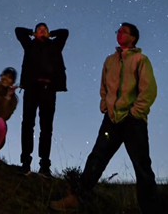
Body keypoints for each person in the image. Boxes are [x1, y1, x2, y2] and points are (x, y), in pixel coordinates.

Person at [50, 23, 159, 213]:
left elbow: (149, 90)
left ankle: (149, 208)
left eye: (124, 31)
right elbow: (104, 87)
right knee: (96, 158)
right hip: (111, 119)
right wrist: (104, 106)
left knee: (142, 166)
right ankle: (77, 199)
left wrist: (135, 112)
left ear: (133, 38)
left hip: (133, 121)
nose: (119, 34)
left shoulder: (141, 60)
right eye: (118, 31)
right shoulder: (109, 60)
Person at [15, 23, 69, 178]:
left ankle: (45, 165)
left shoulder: (55, 45)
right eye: (39, 29)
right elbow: (18, 31)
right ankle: (25, 162)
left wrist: (50, 34)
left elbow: (64, 31)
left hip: (49, 90)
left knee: (46, 128)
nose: (42, 31)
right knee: (27, 125)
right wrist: (32, 33)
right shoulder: (29, 45)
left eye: (44, 29)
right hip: (31, 89)